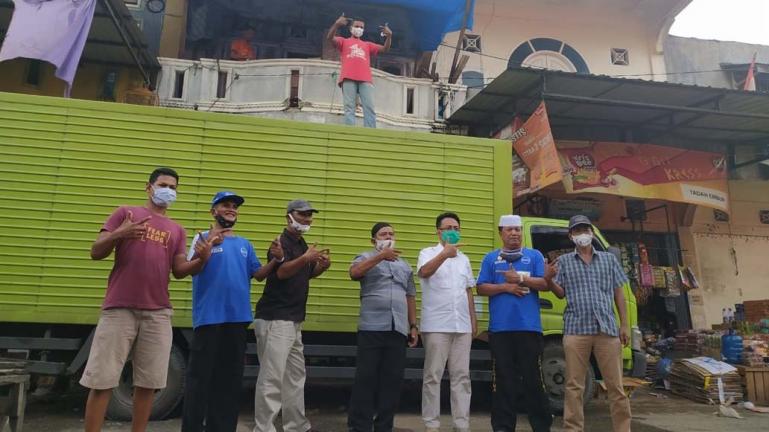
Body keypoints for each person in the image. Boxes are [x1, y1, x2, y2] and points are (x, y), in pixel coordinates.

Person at [81, 167, 205, 432]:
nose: (168, 191)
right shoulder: (126, 213)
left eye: (173, 187)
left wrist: (201, 260)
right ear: (148, 187)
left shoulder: (176, 229)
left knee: (149, 383)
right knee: (102, 381)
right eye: (163, 184)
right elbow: (96, 251)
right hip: (119, 309)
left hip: (158, 312)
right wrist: (119, 234)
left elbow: (180, 270)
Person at [181, 191, 284, 432]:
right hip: (208, 321)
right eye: (225, 205)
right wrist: (205, 251)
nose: (231, 209)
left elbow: (257, 274)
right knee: (199, 381)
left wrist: (276, 260)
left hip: (237, 321)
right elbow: (188, 269)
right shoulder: (201, 239)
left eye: (234, 206)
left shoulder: (244, 244)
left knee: (228, 382)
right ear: (213, 211)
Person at [545, 215, 631, 432]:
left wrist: (625, 325)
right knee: (574, 385)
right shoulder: (563, 262)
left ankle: (623, 429)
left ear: (592, 232)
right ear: (571, 236)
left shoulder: (609, 260)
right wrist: (548, 279)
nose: (582, 234)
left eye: (585, 229)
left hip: (607, 329)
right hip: (576, 329)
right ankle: (572, 429)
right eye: (577, 230)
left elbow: (618, 294)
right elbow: (561, 293)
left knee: (616, 386)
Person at [252, 199, 331, 432]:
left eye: (309, 215)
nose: (307, 218)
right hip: (275, 318)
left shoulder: (300, 242)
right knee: (272, 377)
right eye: (302, 214)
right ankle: (263, 428)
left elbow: (302, 275)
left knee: (295, 376)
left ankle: (296, 425)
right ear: (289, 216)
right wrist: (306, 259)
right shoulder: (280, 242)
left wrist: (320, 267)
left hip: (294, 319)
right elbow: (282, 273)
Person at [476, 215, 553, 432]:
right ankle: (502, 427)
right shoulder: (490, 259)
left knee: (534, 381)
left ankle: (541, 426)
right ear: (501, 232)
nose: (514, 234)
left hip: (529, 329)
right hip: (500, 331)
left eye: (518, 230)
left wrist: (519, 279)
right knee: (503, 381)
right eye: (509, 230)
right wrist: (505, 288)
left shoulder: (534, 255)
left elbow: (544, 284)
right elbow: (481, 287)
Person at [347, 222, 419, 432]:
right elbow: (354, 273)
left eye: (391, 233)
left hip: (397, 328)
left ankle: (384, 426)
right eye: (383, 234)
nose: (388, 236)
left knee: (392, 379)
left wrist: (413, 325)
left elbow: (410, 295)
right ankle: (359, 426)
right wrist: (380, 257)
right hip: (371, 327)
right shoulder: (365, 257)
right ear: (374, 240)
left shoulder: (404, 265)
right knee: (366, 377)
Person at [417, 212, 477, 432]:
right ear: (439, 231)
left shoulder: (464, 259)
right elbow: (424, 272)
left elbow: (468, 290)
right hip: (436, 325)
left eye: (457, 228)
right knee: (433, 375)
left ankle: (461, 424)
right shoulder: (427, 252)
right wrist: (444, 254)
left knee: (462, 377)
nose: (453, 231)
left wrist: (473, 320)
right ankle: (431, 424)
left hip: (462, 326)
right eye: (448, 227)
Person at [326, 14, 392, 128]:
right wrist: (336, 25)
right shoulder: (344, 41)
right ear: (351, 28)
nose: (359, 29)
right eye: (357, 26)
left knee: (369, 107)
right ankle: (350, 132)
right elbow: (329, 38)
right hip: (348, 78)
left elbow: (385, 49)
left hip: (365, 79)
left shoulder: (367, 45)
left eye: (362, 27)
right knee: (349, 106)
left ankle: (370, 132)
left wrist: (389, 36)